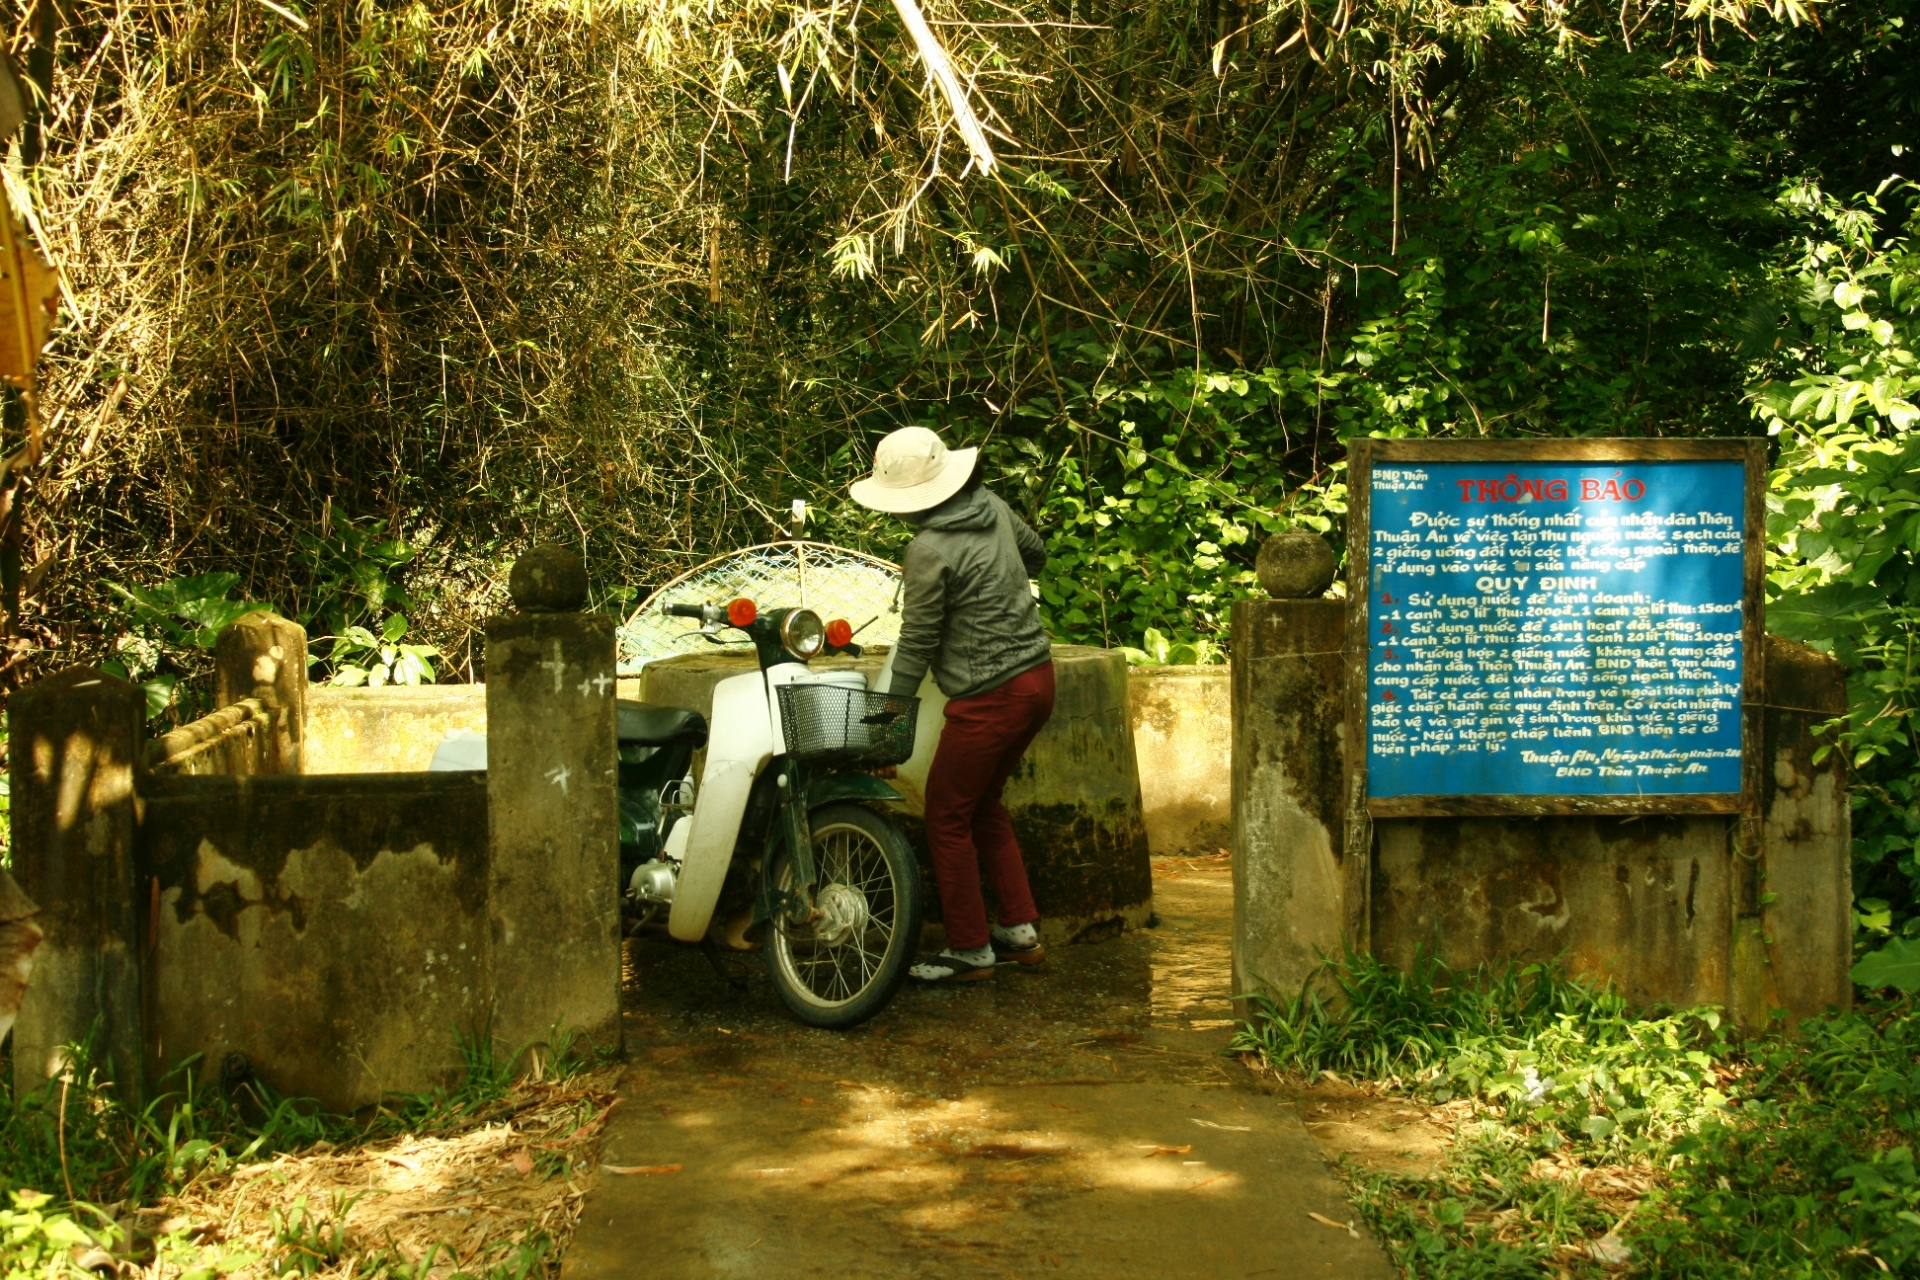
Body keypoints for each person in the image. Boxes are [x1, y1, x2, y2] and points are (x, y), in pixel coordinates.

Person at [851, 426, 1054, 983]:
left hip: (992, 697)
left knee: (945, 814)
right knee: (983, 802)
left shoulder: (928, 548)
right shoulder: (991, 504)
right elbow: (1035, 555)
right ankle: (1018, 929)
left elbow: (915, 646)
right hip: (1038, 680)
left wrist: (886, 729)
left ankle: (969, 949)